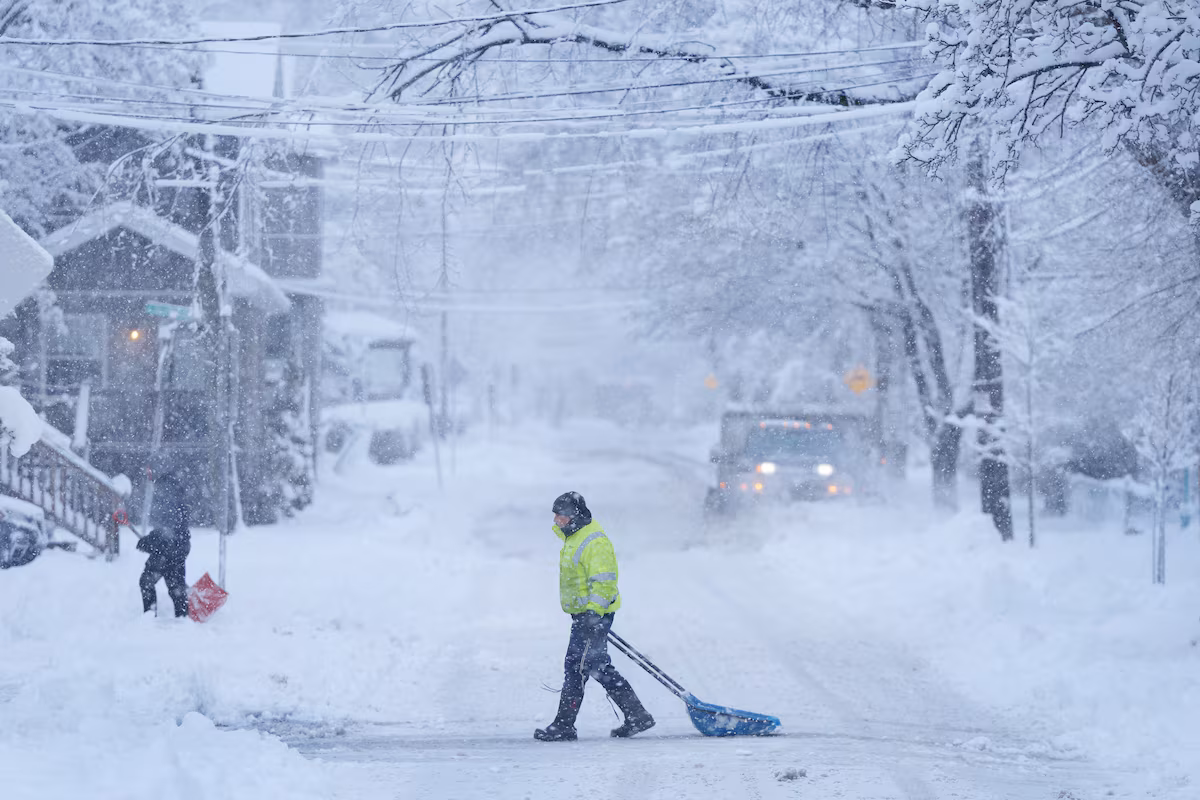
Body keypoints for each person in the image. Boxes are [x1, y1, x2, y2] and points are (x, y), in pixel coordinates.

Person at [535, 491, 655, 742]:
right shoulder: (574, 537)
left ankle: (564, 725)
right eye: (556, 515)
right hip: (583, 616)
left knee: (577, 667)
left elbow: (605, 584)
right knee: (595, 666)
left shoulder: (593, 542)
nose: (557, 520)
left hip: (594, 616)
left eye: (562, 515)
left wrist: (593, 614)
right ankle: (637, 714)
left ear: (575, 516)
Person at [136, 483, 191, 618]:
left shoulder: (170, 507)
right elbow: (164, 534)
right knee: (176, 588)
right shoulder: (179, 507)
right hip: (176, 553)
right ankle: (182, 617)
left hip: (166, 555)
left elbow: (164, 534)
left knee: (147, 581)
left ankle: (150, 614)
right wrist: (150, 542)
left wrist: (147, 542)